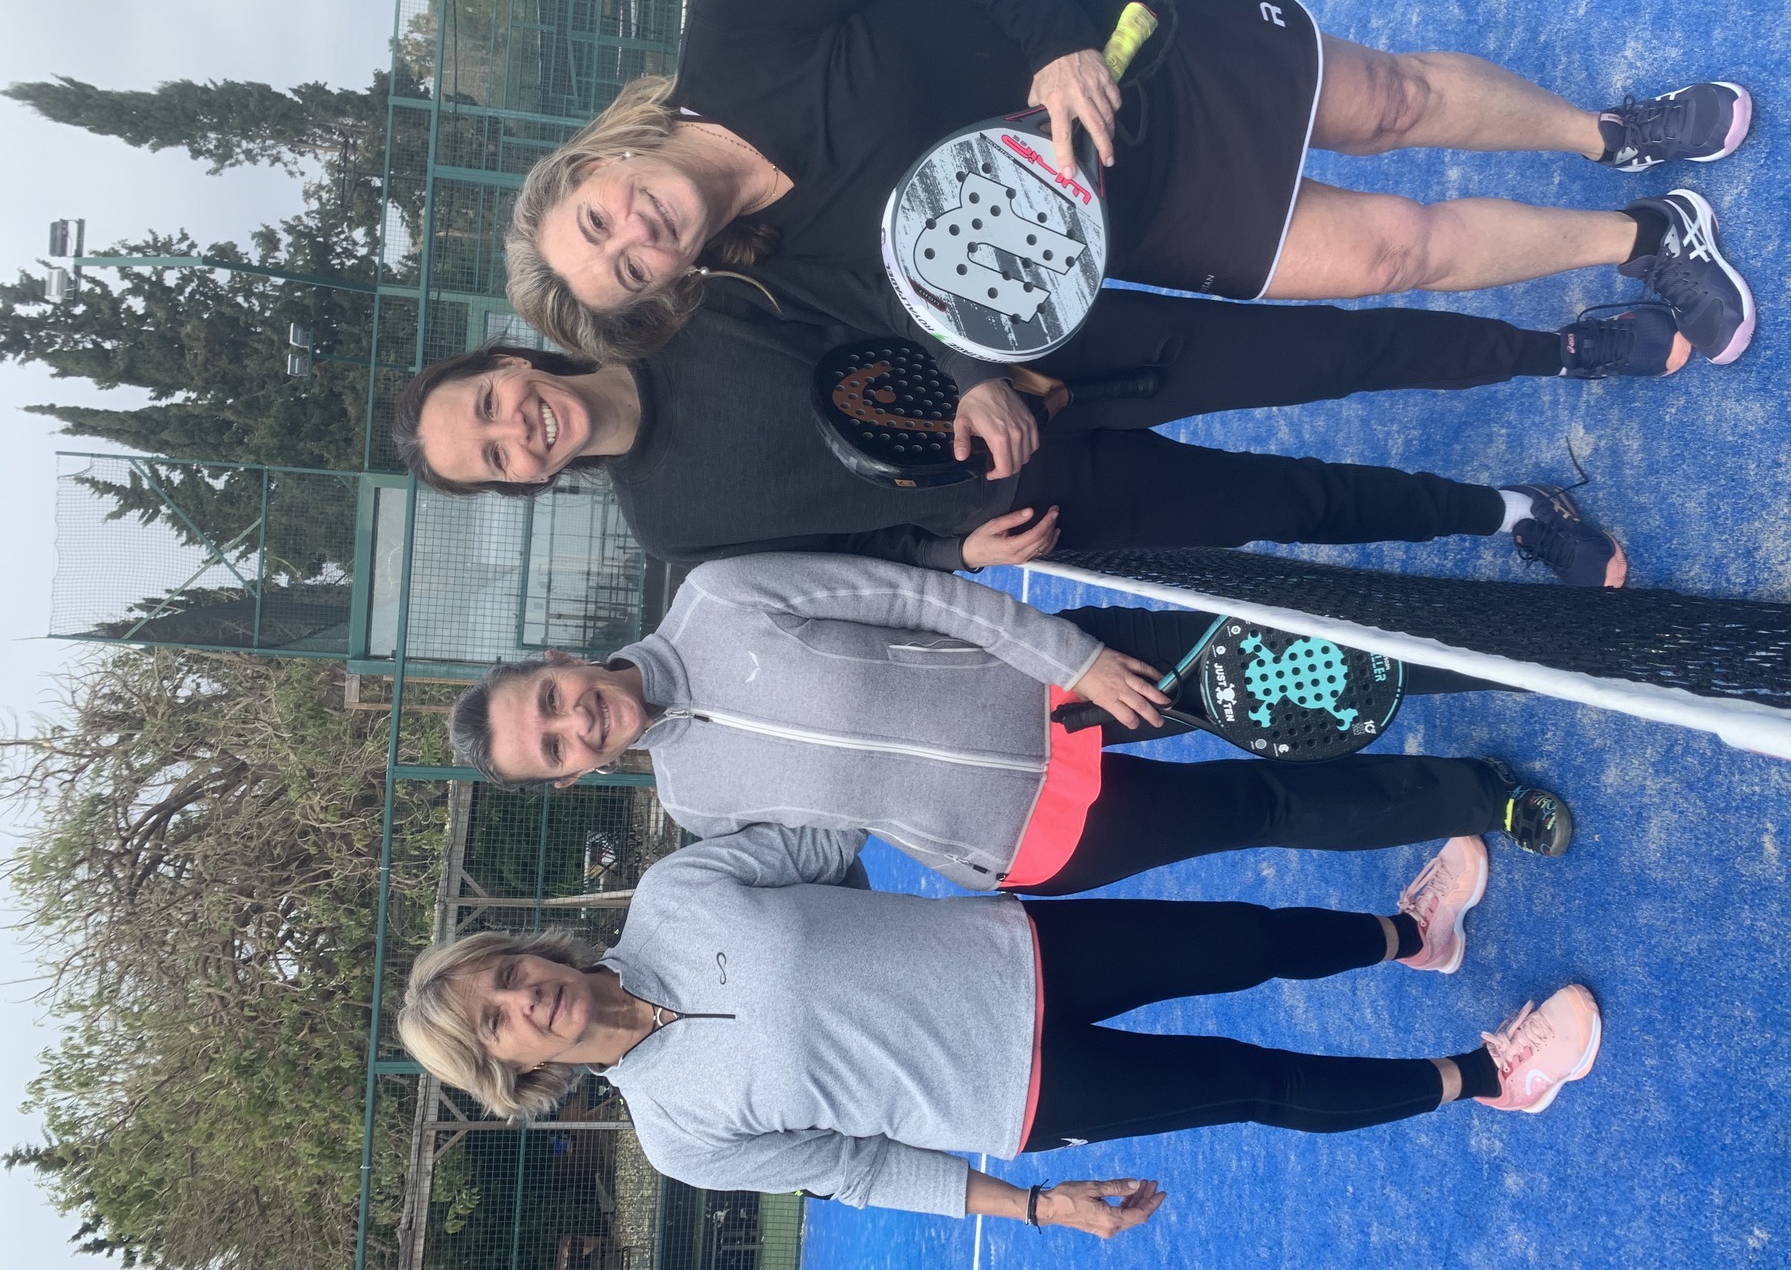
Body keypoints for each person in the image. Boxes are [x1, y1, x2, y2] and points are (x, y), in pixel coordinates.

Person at [499, 0, 1754, 480]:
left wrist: (1056, 43)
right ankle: (1649, 237)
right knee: (1392, 253)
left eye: (598, 219)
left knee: (1392, 106)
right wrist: (977, 386)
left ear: (601, 163)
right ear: (663, 287)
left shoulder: (735, 30)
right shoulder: (777, 272)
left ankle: (1608, 133)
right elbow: (914, 310)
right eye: (626, 269)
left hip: (1134, 55)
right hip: (1138, 217)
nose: (632, 235)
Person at [397, 824, 1603, 1235]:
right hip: (1025, 1096)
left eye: (503, 975)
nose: (523, 1000)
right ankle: (1491, 1073)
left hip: (1021, 948)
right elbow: (859, 1169)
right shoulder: (677, 1133)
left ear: (522, 950)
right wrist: (1031, 1209)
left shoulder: (673, 894)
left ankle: (1411, 934)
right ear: (513, 1069)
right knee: (1253, 1079)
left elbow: (827, 835)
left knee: (1243, 939)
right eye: (498, 1025)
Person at [448, 552, 1574, 891]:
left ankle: (1524, 661)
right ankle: (1485, 798)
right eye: (552, 750)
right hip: (1032, 839)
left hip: (1066, 682)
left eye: (547, 700)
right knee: (1267, 808)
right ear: (567, 778)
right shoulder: (695, 806)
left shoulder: (717, 599)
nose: (572, 722)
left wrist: (1074, 659)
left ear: (556, 660)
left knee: (1295, 672)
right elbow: (836, 845)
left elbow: (916, 598)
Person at [392, 285, 1641, 585]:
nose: (517, 430)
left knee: (1325, 353)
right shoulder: (673, 531)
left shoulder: (683, 307)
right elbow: (854, 560)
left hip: (1051, 357)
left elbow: (876, 288)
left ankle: (1563, 348)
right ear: (521, 483)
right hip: (1031, 502)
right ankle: (1517, 514)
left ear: (510, 361)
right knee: (1294, 504)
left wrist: (970, 372)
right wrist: (963, 555)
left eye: (489, 405)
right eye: (493, 457)